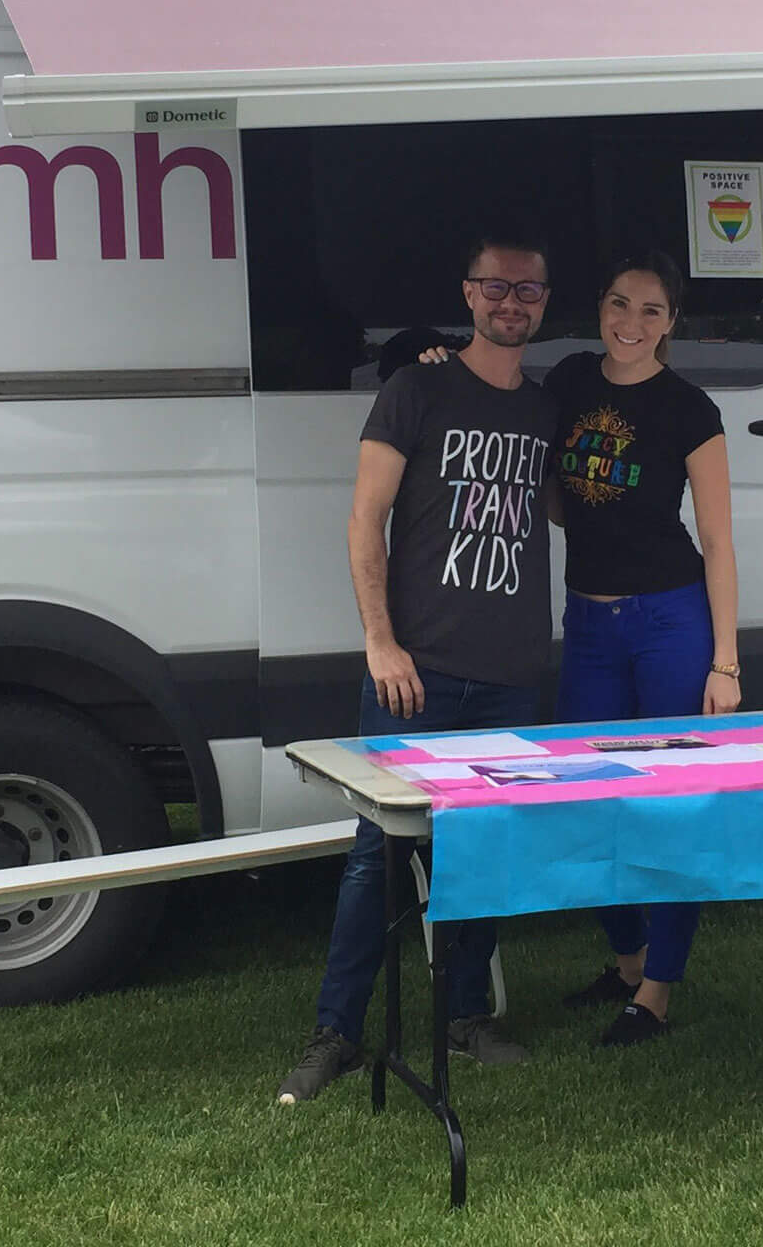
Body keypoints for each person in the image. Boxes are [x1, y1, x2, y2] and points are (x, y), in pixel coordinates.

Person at [277, 237, 559, 1104]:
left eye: (530, 291)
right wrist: (381, 641)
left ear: (544, 303)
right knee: (379, 856)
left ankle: (468, 1014)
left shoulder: (547, 411)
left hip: (512, 674)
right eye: (497, 288)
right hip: (418, 673)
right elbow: (366, 521)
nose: (512, 304)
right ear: (470, 294)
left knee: (485, 849)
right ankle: (337, 1031)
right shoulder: (415, 391)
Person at [533, 253, 745, 1046]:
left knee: (668, 798)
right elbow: (555, 492)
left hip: (670, 620)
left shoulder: (690, 409)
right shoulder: (568, 383)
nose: (631, 323)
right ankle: (627, 962)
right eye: (620, 304)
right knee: (582, 796)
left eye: (651, 311)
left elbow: (718, 543)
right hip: (588, 625)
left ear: (671, 324)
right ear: (599, 308)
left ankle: (656, 993)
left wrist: (724, 662)